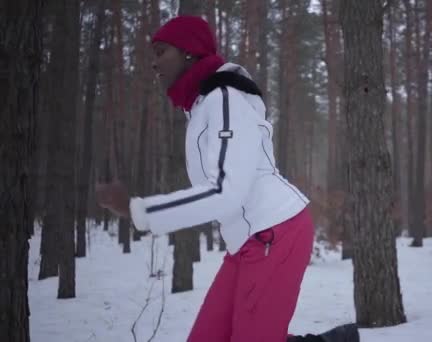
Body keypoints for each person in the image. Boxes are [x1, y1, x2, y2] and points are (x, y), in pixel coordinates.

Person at [95, 16, 359, 342]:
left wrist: (142, 210)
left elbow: (224, 191)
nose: (154, 63)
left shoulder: (224, 100)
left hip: (276, 232)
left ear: (188, 53)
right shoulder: (202, 106)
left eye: (162, 52)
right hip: (248, 241)